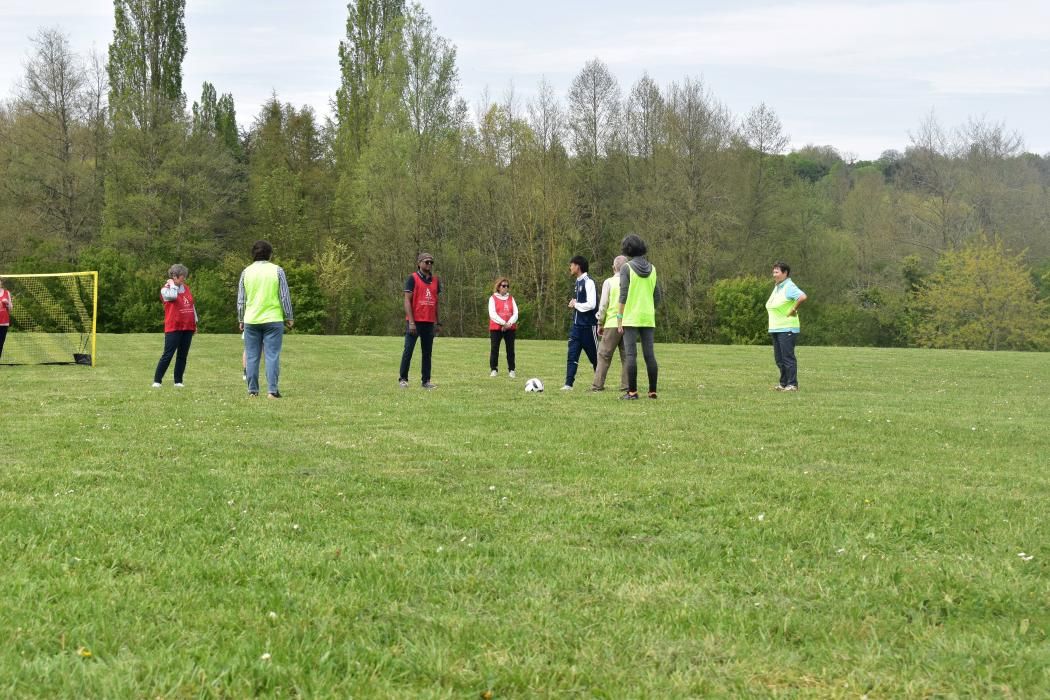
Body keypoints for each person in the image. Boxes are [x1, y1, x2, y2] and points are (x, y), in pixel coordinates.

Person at [238, 240, 294, 398]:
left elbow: (241, 299)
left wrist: (241, 318)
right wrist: (289, 316)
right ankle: (272, 391)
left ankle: (252, 390)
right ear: (270, 254)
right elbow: (284, 296)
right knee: (272, 355)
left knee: (252, 356)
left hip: (251, 319)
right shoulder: (277, 270)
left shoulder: (246, 272)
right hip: (273, 318)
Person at [616, 234, 661, 400]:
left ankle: (632, 392)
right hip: (648, 317)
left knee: (631, 356)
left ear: (627, 250)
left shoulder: (626, 268)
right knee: (649, 355)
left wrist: (619, 318)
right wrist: (649, 309)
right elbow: (657, 296)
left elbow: (623, 295)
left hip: (631, 317)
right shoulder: (653, 269)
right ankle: (652, 391)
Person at [399, 252, 441, 389]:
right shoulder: (412, 278)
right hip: (415, 322)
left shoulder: (435, 281)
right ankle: (403, 379)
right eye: (426, 262)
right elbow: (407, 301)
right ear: (419, 263)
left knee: (427, 353)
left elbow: (436, 302)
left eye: (431, 262)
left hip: (429, 322)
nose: (429, 264)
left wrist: (437, 321)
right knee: (408, 350)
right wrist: (411, 322)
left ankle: (426, 381)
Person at [152, 265, 197, 388]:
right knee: (168, 354)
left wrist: (195, 322)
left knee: (182, 355)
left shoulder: (186, 288)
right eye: (182, 277)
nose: (184, 279)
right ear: (174, 276)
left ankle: (178, 381)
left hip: (187, 326)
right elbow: (172, 296)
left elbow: (192, 306)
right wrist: (172, 284)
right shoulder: (165, 289)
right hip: (174, 326)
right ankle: (157, 380)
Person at [766, 261, 807, 392]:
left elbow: (802, 296)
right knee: (779, 358)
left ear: (785, 273)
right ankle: (783, 383)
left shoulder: (788, 286)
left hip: (787, 328)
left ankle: (792, 384)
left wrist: (794, 309)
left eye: (777, 272)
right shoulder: (778, 286)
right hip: (776, 328)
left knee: (787, 357)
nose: (774, 274)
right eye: (773, 272)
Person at [591, 255, 630, 392]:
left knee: (603, 355)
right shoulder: (631, 282)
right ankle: (626, 385)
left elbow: (603, 305)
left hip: (612, 322)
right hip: (628, 323)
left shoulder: (609, 282)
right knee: (627, 356)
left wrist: (600, 322)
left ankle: (597, 385)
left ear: (614, 268)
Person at [561, 255, 598, 390]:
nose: (570, 267)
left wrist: (575, 304)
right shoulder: (577, 282)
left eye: (571, 265)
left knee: (595, 359)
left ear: (578, 266)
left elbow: (592, 304)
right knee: (572, 356)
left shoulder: (589, 282)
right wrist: (575, 304)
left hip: (588, 327)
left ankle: (599, 384)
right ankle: (568, 384)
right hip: (576, 328)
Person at [488, 277, 518, 378]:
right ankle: (494, 369)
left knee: (510, 349)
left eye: (507, 286)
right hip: (496, 328)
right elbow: (492, 314)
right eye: (503, 286)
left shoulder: (511, 298)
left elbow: (516, 313)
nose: (505, 288)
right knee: (494, 349)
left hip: (510, 328)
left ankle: (512, 370)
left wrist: (509, 323)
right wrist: (503, 323)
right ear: (498, 287)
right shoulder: (493, 298)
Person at [0, 277, 12, 362]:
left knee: (0, 343)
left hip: (4, 322)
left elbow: (11, 308)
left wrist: (7, 303)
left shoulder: (7, 293)